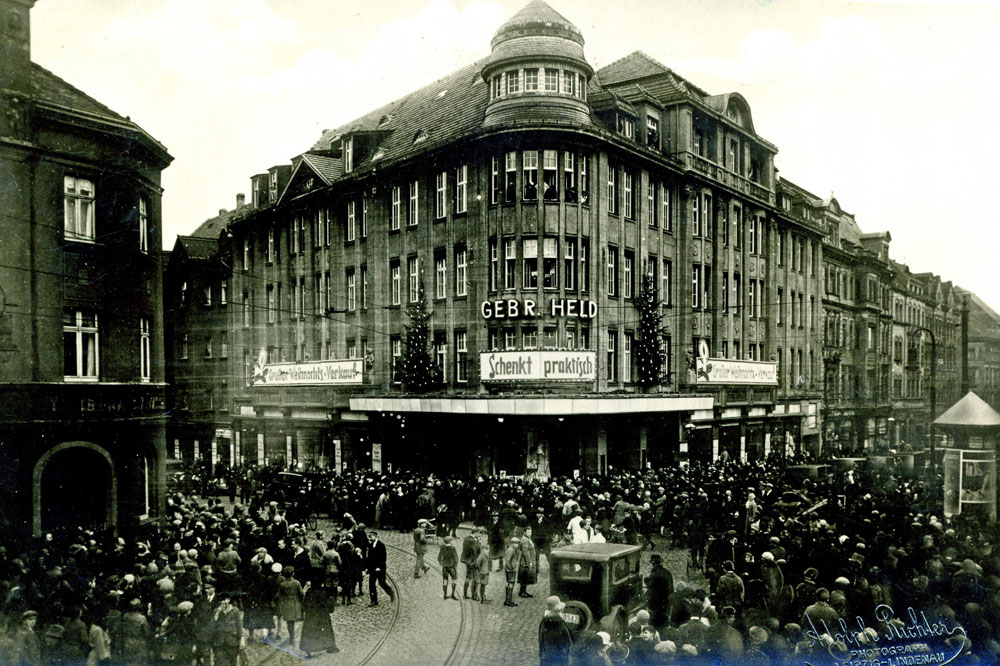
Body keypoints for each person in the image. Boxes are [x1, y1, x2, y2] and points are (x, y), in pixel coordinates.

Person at [299, 577, 339, 657]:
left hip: (310, 617)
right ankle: (330, 646)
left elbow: (304, 605)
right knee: (327, 630)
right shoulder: (323, 592)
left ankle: (308, 649)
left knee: (309, 632)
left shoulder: (309, 592)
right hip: (322, 615)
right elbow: (329, 605)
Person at [211, 592, 244, 666]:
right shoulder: (217, 610)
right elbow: (212, 623)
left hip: (232, 641)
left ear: (228, 600)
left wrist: (241, 639)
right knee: (219, 661)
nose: (223, 602)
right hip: (219, 641)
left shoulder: (235, 610)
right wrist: (218, 612)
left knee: (232, 661)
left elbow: (239, 625)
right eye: (221, 600)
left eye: (224, 600)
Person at [539, 595, 573, 666]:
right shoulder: (559, 623)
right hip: (558, 659)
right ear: (558, 609)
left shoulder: (544, 620)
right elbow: (566, 642)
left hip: (545, 657)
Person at [274, 566, 304, 647]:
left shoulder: (282, 584)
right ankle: (292, 637)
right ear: (293, 574)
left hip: (286, 604)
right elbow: (301, 594)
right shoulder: (297, 583)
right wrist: (301, 602)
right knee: (293, 620)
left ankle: (292, 637)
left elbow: (278, 595)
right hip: (295, 603)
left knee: (289, 622)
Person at [121, 598, 152, 666]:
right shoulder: (142, 618)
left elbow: (122, 629)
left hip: (127, 641)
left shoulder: (125, 616)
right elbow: (147, 632)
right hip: (139, 643)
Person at [367, 531, 394, 607]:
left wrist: (379, 567)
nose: (370, 538)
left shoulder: (381, 545)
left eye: (371, 536)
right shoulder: (370, 545)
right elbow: (369, 558)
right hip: (372, 569)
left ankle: (391, 592)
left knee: (381, 583)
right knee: (371, 584)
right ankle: (374, 601)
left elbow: (383, 558)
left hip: (380, 569)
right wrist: (367, 568)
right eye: (369, 537)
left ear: (375, 537)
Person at [460, 528, 482, 600]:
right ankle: (474, 596)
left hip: (468, 561)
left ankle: (465, 594)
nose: (480, 535)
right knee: (475, 578)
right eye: (479, 533)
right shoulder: (473, 541)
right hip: (473, 561)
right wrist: (479, 543)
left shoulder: (467, 539)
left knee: (468, 577)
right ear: (475, 533)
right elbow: (475, 552)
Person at [437, 536, 460, 600]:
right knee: (454, 579)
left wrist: (442, 563)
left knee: (445, 580)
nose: (453, 541)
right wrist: (455, 565)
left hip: (445, 567)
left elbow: (439, 558)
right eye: (452, 540)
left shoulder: (443, 548)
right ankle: (452, 594)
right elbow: (456, 559)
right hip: (452, 567)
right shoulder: (453, 548)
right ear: (450, 541)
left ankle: (445, 595)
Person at [517, 526, 537, 599]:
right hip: (525, 562)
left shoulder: (527, 538)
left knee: (525, 577)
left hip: (527, 561)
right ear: (524, 532)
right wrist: (529, 562)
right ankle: (522, 592)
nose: (530, 533)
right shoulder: (524, 540)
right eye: (528, 532)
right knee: (524, 577)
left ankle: (523, 591)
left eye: (530, 532)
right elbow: (525, 552)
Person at [474, 533, 492, 604]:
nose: (487, 550)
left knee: (484, 585)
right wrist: (480, 569)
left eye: (488, 549)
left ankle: (484, 597)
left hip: (486, 572)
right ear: (484, 549)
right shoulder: (482, 555)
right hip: (482, 573)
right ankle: (483, 599)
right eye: (486, 549)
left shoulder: (486, 555)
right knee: (482, 586)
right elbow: (477, 563)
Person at [503, 536, 521, 607]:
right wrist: (511, 568)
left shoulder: (512, 549)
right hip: (510, 570)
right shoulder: (511, 550)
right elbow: (507, 560)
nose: (517, 544)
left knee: (510, 584)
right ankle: (508, 601)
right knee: (510, 584)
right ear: (513, 543)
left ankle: (508, 600)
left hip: (510, 569)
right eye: (516, 543)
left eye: (517, 543)